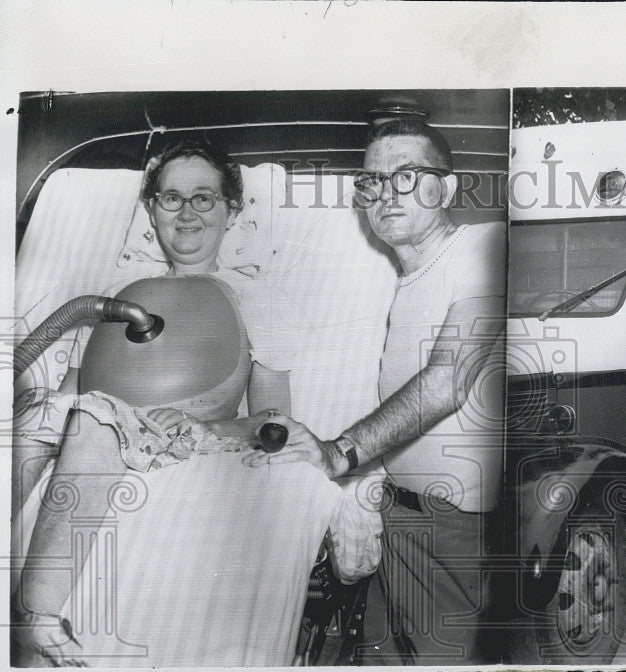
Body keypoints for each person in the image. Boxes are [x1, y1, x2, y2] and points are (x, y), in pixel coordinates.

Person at [11, 140, 380, 667]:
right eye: (171, 198)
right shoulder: (116, 294)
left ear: (232, 210)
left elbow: (274, 424)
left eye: (204, 199)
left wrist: (197, 424)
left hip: (183, 438)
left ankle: (37, 622)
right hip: (94, 422)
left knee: (92, 421)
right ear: (150, 210)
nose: (187, 213)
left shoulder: (256, 300)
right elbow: (80, 388)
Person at [246, 119, 507, 665]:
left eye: (408, 176)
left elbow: (447, 380)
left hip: (458, 532)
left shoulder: (486, 248)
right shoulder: (398, 284)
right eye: (372, 181)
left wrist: (338, 452)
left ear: (449, 189)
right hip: (399, 523)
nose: (386, 193)